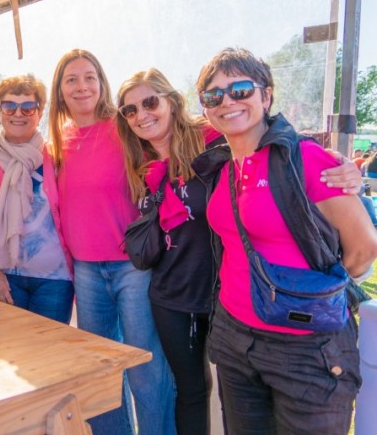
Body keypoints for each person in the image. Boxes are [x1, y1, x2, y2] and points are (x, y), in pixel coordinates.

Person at [192, 47, 377, 435]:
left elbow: (364, 249)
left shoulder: (308, 160)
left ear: (267, 95)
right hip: (234, 336)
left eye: (240, 89)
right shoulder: (224, 166)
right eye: (214, 95)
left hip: (305, 348)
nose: (227, 101)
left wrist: (320, 293)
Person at [47, 49, 175, 435]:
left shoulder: (124, 127)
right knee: (99, 375)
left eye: (89, 77)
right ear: (61, 90)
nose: (81, 86)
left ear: (101, 83)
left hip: (132, 267)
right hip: (85, 271)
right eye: (71, 79)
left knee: (144, 370)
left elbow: (182, 131)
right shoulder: (55, 141)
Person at [115, 68, 224, 435]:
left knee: (237, 393)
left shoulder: (214, 144)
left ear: (172, 102)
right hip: (172, 297)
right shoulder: (143, 167)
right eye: (130, 110)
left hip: (226, 294)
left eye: (149, 102)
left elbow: (267, 139)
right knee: (191, 390)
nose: (141, 114)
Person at [0, 75, 73, 324]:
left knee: (49, 354)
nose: (18, 113)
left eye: (28, 107)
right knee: (7, 354)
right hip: (4, 276)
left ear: (40, 113)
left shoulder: (58, 157)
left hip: (54, 280)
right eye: (9, 106)